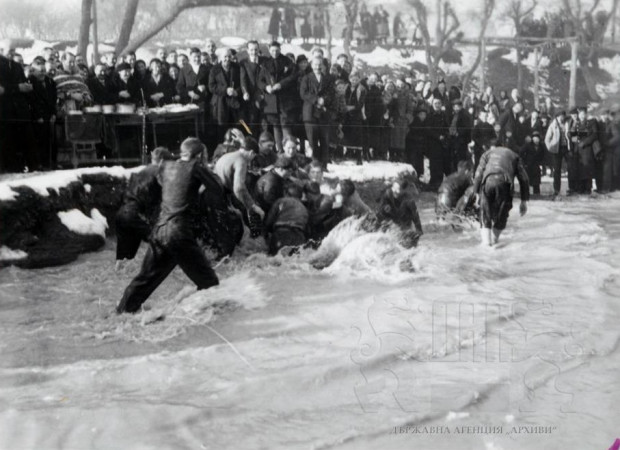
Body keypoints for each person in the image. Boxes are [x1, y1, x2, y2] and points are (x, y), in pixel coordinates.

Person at [116, 138, 223, 314]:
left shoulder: (165, 166)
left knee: (144, 281)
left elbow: (166, 186)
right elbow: (217, 188)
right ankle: (202, 320)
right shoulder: (196, 167)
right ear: (200, 155)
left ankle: (119, 316)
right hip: (179, 232)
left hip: (159, 231)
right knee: (209, 283)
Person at [115, 147, 174, 269]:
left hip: (121, 215)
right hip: (135, 215)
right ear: (162, 161)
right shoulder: (159, 172)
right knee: (162, 245)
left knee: (123, 261)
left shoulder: (141, 172)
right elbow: (160, 202)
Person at [472, 138, 529, 246]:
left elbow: (478, 174)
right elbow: (524, 179)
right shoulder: (513, 155)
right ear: (503, 145)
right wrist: (524, 201)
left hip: (487, 181)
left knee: (485, 214)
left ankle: (486, 244)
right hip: (504, 183)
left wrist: (476, 194)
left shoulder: (486, 154)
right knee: (502, 215)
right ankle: (494, 241)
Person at [214, 137, 266, 222]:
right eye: (254, 157)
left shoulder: (228, 155)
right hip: (225, 197)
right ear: (251, 153)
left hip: (217, 194)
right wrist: (252, 206)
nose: (251, 160)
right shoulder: (241, 161)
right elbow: (239, 188)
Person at [258, 41, 298, 153]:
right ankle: (280, 151)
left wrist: (281, 84)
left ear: (280, 49)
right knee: (276, 125)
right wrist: (266, 87)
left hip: (285, 100)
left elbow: (293, 77)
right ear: (269, 50)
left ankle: (290, 150)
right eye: (272, 51)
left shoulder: (288, 62)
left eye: (277, 50)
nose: (274, 53)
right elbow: (260, 81)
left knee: (286, 125)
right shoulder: (265, 63)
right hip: (271, 101)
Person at [300, 56, 335, 167]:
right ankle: (314, 165)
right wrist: (316, 100)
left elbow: (331, 93)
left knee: (325, 141)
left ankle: (324, 166)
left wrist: (323, 100)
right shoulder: (306, 78)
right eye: (315, 64)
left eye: (320, 64)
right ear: (311, 65)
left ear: (323, 66)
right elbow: (303, 93)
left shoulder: (328, 79)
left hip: (324, 113)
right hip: (310, 114)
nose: (318, 67)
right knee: (312, 142)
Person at [377, 176, 423, 247]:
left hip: (404, 222)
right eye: (393, 190)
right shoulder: (387, 194)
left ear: (403, 191)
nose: (394, 192)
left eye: (397, 191)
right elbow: (380, 212)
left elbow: (415, 215)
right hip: (391, 221)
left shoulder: (408, 200)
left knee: (408, 240)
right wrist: (384, 209)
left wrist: (418, 229)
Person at [264, 184, 309, 255]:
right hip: (299, 237)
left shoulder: (281, 201)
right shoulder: (304, 208)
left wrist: (265, 235)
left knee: (273, 259)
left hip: (282, 234)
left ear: (286, 193)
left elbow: (269, 221)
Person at [208, 48, 242, 144]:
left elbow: (242, 83)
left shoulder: (237, 67)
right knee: (222, 127)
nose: (227, 59)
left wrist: (237, 92)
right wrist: (225, 90)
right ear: (220, 58)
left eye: (229, 56)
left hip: (234, 102)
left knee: (235, 126)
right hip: (220, 103)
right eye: (225, 57)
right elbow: (211, 86)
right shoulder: (214, 69)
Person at [239, 40, 265, 137]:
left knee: (264, 122)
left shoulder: (264, 61)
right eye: (251, 50)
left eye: (256, 50)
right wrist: (245, 92)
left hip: (263, 95)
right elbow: (243, 80)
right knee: (252, 122)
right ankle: (252, 142)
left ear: (258, 50)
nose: (254, 52)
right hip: (250, 97)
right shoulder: (244, 63)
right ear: (247, 50)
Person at [520, 130, 546, 195]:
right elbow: (521, 153)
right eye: (534, 137)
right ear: (532, 138)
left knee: (536, 182)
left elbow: (544, 155)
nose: (536, 139)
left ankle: (536, 194)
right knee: (527, 181)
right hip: (528, 166)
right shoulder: (528, 145)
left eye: (537, 137)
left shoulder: (541, 146)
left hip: (537, 166)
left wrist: (542, 164)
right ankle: (525, 194)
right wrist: (524, 162)